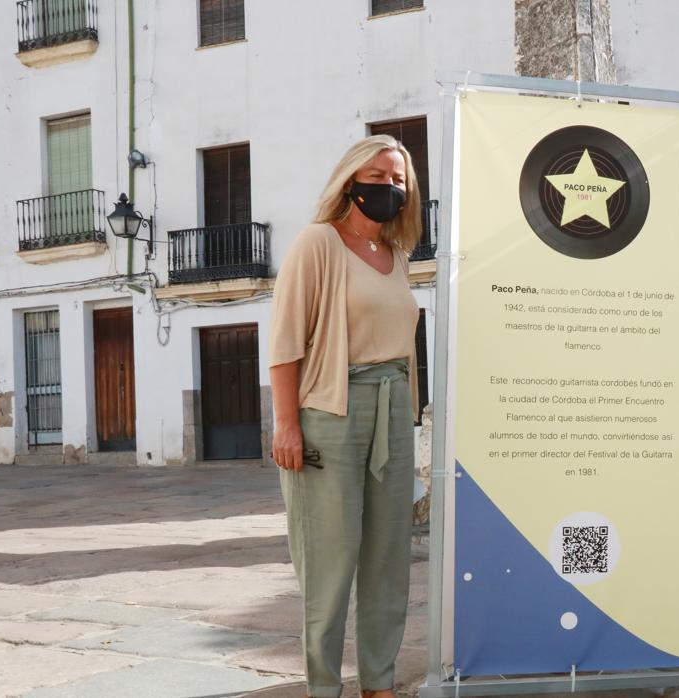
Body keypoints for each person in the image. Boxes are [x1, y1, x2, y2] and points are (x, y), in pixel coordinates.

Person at [269, 135, 423, 698]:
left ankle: (378, 683)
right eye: (378, 176)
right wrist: (286, 425)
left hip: (394, 412)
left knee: (389, 558)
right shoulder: (318, 244)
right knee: (328, 563)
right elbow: (285, 343)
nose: (389, 187)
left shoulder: (398, 258)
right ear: (350, 181)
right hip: (331, 411)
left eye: (398, 179)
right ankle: (324, 687)